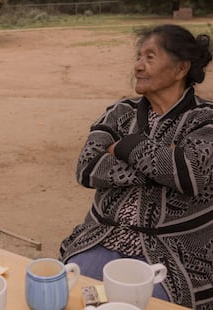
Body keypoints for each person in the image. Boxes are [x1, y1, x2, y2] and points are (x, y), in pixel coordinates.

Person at [59, 24, 213, 309]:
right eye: (138, 57)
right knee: (71, 294)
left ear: (181, 68)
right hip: (102, 237)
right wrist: (161, 167)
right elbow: (87, 167)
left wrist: (126, 147)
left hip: (173, 252)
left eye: (150, 57)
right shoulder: (120, 111)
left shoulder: (205, 121)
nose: (138, 66)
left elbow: (190, 173)